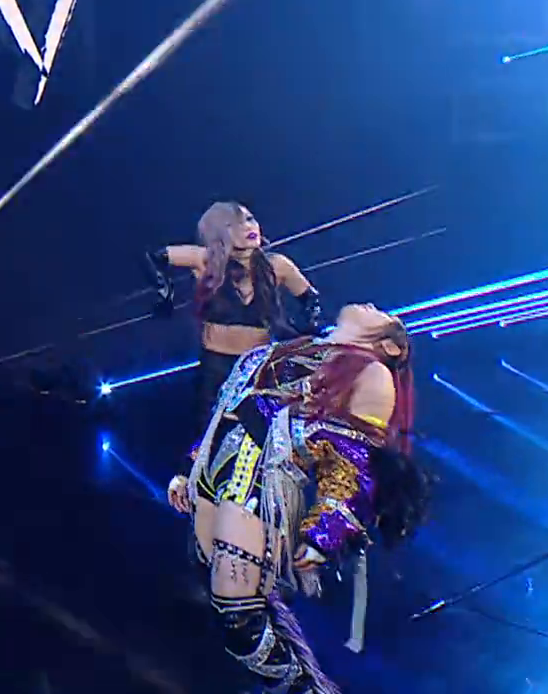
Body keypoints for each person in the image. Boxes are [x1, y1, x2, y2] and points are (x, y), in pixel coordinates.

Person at [166, 303, 435, 693]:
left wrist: (325, 531)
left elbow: (353, 460)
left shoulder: (373, 373)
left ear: (391, 346)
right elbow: (228, 410)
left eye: (379, 312)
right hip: (219, 465)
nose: (370, 304)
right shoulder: (292, 349)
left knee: (238, 617)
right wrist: (190, 468)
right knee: (226, 602)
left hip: (262, 475)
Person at [146, 202, 322, 425]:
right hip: (216, 367)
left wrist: (307, 329)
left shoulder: (277, 265)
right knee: (212, 432)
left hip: (258, 366)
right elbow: (155, 257)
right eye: (233, 224)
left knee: (261, 431)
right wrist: (164, 293)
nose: (247, 227)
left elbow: (310, 298)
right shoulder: (206, 259)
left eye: (249, 219)